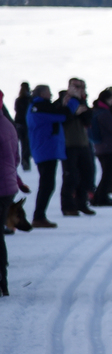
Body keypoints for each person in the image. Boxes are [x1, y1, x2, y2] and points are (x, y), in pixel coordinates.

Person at [2, 92, 32, 295]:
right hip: (7, 186)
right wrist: (18, 182)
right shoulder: (7, 123)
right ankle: (2, 279)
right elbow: (15, 159)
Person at [26, 85, 67, 228]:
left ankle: (39, 216)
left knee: (47, 184)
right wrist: (72, 101)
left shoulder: (34, 106)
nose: (50, 95)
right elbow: (63, 115)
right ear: (43, 93)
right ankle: (38, 216)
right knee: (47, 185)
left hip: (42, 149)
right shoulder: (41, 107)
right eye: (49, 92)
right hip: (47, 149)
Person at [62, 78, 96, 213]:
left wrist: (82, 106)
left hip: (83, 142)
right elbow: (63, 117)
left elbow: (88, 118)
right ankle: (68, 206)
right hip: (69, 143)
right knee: (71, 176)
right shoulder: (63, 101)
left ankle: (82, 203)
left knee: (86, 174)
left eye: (82, 86)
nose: (80, 89)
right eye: (76, 86)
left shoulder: (82, 101)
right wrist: (75, 112)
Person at [15, 82, 32, 171]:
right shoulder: (29, 100)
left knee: (23, 144)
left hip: (20, 124)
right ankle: (26, 161)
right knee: (26, 144)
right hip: (26, 124)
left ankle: (25, 162)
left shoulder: (19, 100)